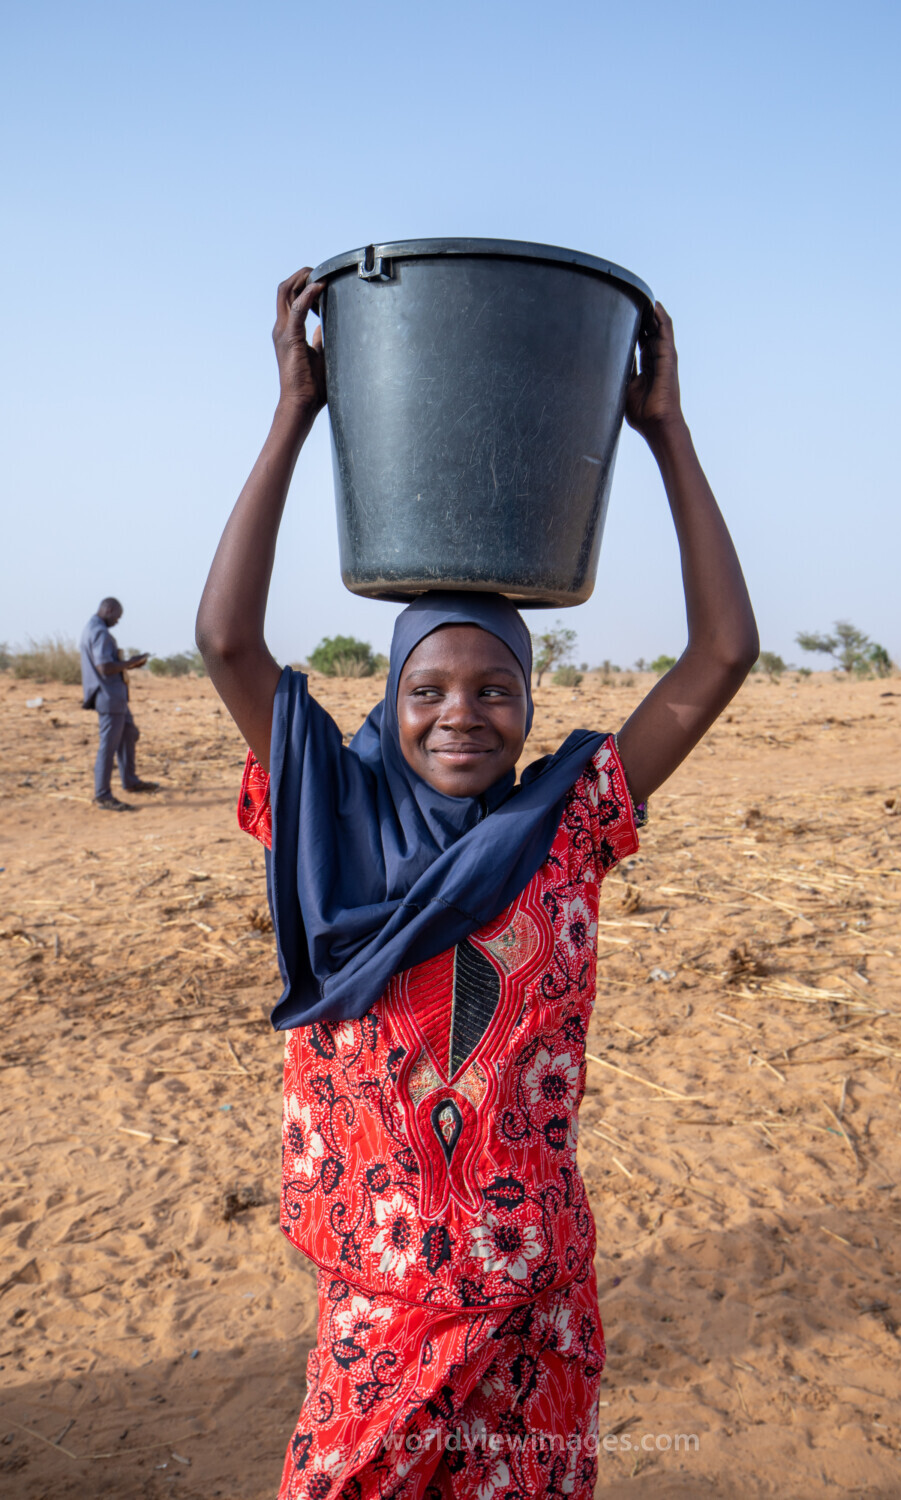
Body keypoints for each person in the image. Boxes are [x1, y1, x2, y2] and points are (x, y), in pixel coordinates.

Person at [196, 268, 758, 1499]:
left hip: (530, 1290)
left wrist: (664, 432)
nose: (462, 715)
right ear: (386, 703)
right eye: (427, 691)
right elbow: (227, 642)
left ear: (529, 707)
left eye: (494, 690)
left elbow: (723, 653)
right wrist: (294, 414)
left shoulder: (570, 822)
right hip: (378, 1291)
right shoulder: (321, 815)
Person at [79, 598, 158, 809]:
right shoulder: (100, 633)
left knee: (129, 732)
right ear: (109, 609)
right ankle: (103, 795)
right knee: (108, 746)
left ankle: (130, 781)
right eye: (117, 616)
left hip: (115, 697)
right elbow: (104, 666)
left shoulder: (92, 628)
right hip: (109, 696)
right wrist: (131, 663)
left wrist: (128, 663)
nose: (117, 621)